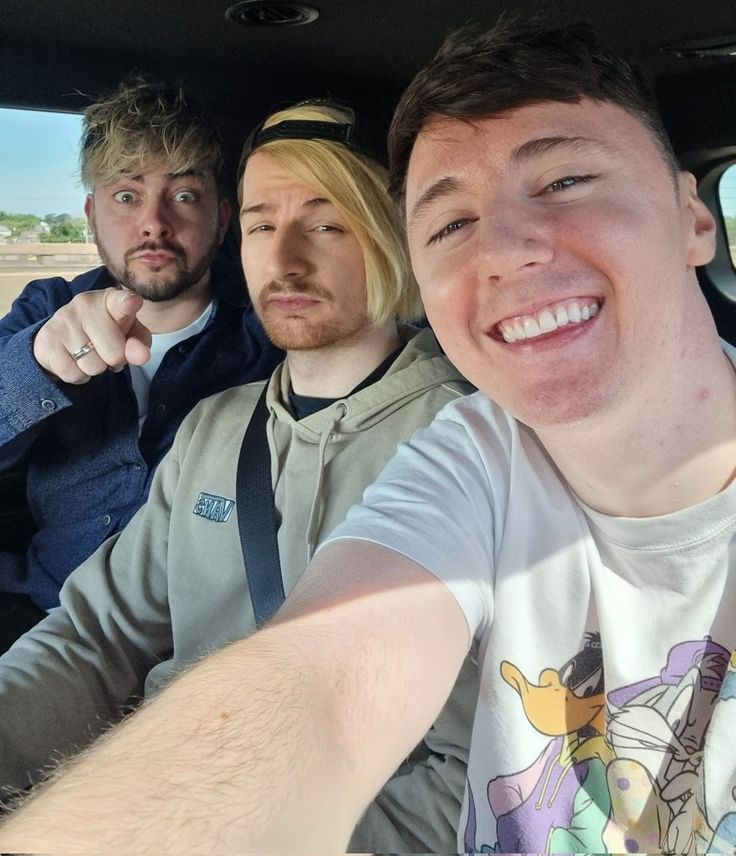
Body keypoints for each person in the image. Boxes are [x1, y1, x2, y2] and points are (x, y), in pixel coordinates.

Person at [0, 101, 477, 852]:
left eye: (325, 222)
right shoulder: (216, 425)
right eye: (261, 224)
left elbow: (476, 770)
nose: (284, 259)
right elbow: (96, 636)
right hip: (156, 782)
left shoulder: (472, 447)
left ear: (389, 234)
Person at [0, 76, 282, 650]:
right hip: (38, 612)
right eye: (126, 196)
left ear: (224, 219)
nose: (154, 223)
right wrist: (40, 365)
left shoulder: (273, 331)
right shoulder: (45, 309)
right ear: (91, 215)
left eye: (183, 195)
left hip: (203, 644)